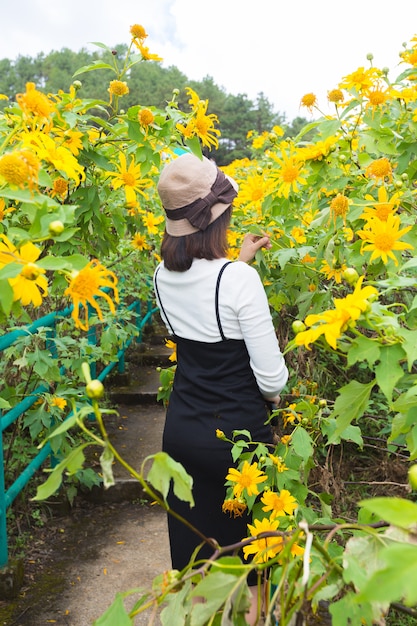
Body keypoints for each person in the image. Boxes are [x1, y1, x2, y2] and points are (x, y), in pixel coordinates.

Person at [153, 153, 288, 623]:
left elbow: (200, 302)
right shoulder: (239, 281)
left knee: (197, 567)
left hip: (182, 436)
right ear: (219, 217)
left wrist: (239, 263)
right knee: (254, 571)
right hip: (238, 442)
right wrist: (242, 269)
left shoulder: (160, 276)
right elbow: (273, 379)